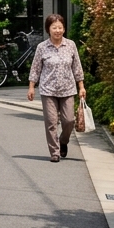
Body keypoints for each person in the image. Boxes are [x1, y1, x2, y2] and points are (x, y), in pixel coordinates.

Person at [27, 13, 85, 163]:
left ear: (64, 29)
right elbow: (35, 68)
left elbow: (77, 67)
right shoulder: (42, 47)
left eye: (60, 27)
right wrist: (31, 87)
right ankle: (54, 152)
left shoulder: (71, 45)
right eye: (54, 28)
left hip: (68, 89)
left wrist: (81, 86)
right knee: (51, 122)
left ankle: (63, 141)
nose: (57, 30)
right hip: (48, 90)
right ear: (49, 29)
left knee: (69, 121)